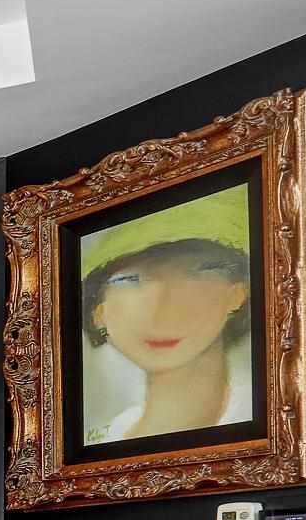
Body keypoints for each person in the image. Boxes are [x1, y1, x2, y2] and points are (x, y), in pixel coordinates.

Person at [81, 186, 256, 445]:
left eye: (195, 273)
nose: (159, 312)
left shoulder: (260, 412)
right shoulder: (103, 439)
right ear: (99, 313)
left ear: (238, 294)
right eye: (130, 279)